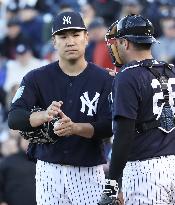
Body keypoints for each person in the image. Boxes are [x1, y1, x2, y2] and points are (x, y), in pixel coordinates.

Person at [8, 11, 113, 205]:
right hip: (48, 170)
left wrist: (75, 128)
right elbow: (14, 117)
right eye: (63, 36)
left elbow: (109, 126)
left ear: (86, 37)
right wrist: (43, 115)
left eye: (75, 35)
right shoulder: (36, 77)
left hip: (88, 171)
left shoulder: (104, 79)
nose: (70, 41)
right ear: (54, 41)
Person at [98, 14, 175, 205]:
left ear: (125, 43)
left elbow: (124, 135)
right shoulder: (171, 70)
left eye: (118, 41)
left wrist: (112, 185)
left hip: (145, 170)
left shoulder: (127, 76)